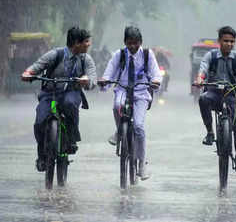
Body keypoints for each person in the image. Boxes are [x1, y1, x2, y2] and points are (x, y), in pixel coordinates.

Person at [21, 27, 97, 172]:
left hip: (71, 93)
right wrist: (28, 73)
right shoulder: (55, 54)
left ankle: (71, 138)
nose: (88, 44)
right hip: (51, 95)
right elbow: (37, 66)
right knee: (39, 122)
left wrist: (86, 80)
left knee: (70, 104)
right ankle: (42, 155)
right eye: (86, 41)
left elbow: (92, 77)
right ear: (76, 43)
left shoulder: (85, 59)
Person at [98, 26, 162, 180]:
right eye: (129, 43)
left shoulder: (148, 54)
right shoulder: (118, 55)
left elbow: (156, 74)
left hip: (141, 92)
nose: (132, 46)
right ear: (125, 42)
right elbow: (109, 72)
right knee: (117, 107)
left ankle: (141, 164)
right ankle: (120, 131)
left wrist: (155, 81)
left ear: (140, 42)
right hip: (122, 90)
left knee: (139, 127)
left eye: (135, 43)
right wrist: (104, 81)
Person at [194, 26, 236, 176]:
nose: (229, 44)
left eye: (232, 41)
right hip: (214, 93)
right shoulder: (211, 56)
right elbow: (202, 70)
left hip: (233, 95)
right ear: (219, 41)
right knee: (203, 99)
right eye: (226, 41)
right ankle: (210, 132)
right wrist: (199, 80)